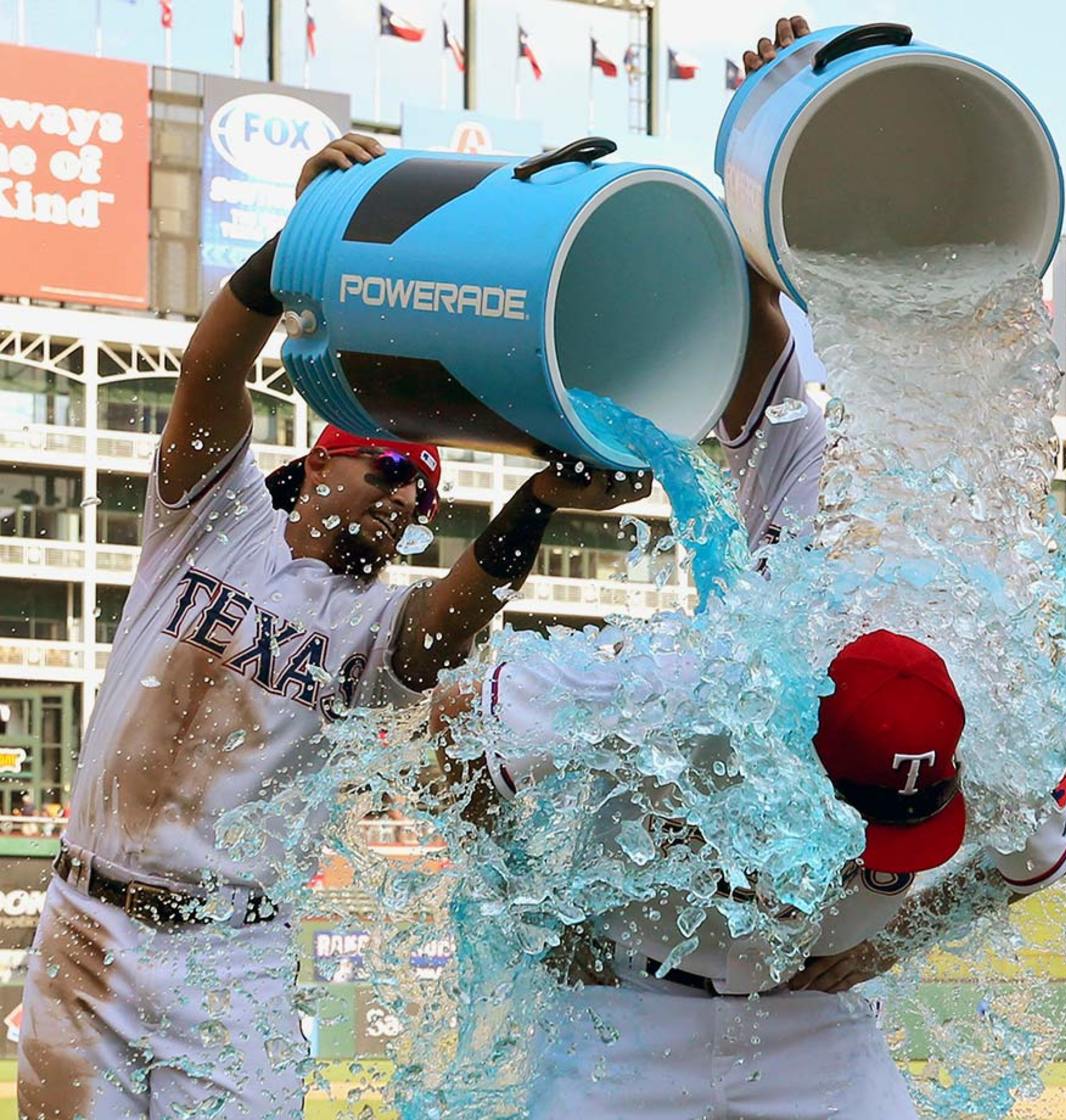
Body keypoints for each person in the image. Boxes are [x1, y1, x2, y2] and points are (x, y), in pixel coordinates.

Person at [426, 17, 1066, 1118]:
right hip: (635, 1012)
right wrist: (541, 903)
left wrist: (894, 945)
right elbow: (452, 726)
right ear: (787, 757)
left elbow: (1065, 843)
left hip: (814, 1021)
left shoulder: (986, 709)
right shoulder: (690, 686)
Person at [17, 133, 642, 1120]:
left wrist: (534, 500)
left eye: (426, 498)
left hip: (234, 954)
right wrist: (303, 245)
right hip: (88, 926)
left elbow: (444, 629)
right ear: (318, 465)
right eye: (390, 472)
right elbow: (210, 366)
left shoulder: (372, 624)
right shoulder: (212, 521)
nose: (406, 503)